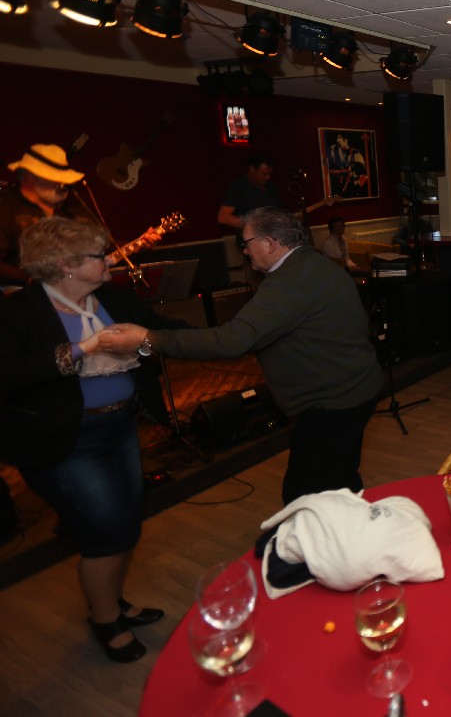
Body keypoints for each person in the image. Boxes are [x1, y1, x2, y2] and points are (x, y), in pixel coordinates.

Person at [99, 207, 383, 505]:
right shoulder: (313, 262)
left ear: (270, 243)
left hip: (332, 405)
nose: (244, 251)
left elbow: (232, 341)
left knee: (303, 502)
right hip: (356, 389)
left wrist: (147, 338)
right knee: (342, 482)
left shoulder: (289, 281)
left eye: (246, 243)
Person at [0, 217, 171, 662]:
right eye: (100, 255)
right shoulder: (19, 311)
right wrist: (84, 349)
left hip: (120, 428)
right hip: (65, 440)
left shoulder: (112, 298)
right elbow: (9, 376)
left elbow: (154, 336)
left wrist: (145, 345)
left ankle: (113, 602)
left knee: (127, 522)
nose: (110, 260)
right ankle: (105, 620)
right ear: (65, 264)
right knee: (106, 533)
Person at [0, 143, 96, 288]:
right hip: (22, 294)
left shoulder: (73, 209)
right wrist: (30, 279)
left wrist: (133, 246)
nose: (63, 184)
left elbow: (99, 244)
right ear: (30, 177)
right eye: (56, 178)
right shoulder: (7, 208)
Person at [217, 155, 280, 231]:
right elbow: (223, 217)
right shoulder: (238, 187)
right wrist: (253, 225)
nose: (268, 177)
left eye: (270, 174)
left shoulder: (271, 186)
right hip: (252, 235)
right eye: (264, 174)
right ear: (252, 169)